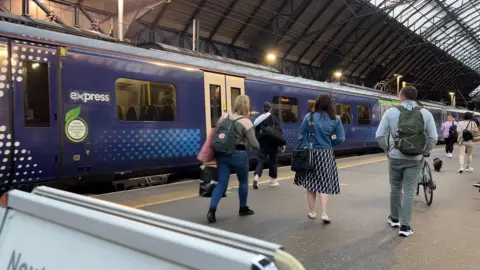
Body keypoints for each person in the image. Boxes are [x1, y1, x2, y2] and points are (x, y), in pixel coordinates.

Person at [376, 86, 437, 237]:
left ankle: (394, 219)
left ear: (401, 97)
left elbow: (379, 135)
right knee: (409, 190)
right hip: (415, 158)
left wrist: (387, 150)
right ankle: (405, 227)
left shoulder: (391, 112)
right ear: (415, 97)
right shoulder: (425, 113)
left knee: (395, 188)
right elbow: (433, 138)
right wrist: (425, 151)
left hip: (395, 156)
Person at [207, 95, 260, 223]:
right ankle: (243, 208)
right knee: (242, 182)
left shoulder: (224, 117)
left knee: (221, 184)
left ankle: (211, 210)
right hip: (239, 155)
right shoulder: (246, 122)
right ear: (246, 106)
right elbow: (254, 144)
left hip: (222, 154)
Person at [293, 95, 345, 223]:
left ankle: (312, 212)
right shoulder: (335, 119)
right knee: (324, 184)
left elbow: (301, 135)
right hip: (326, 154)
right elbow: (340, 138)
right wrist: (329, 142)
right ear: (330, 105)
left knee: (311, 184)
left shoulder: (309, 117)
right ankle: (325, 214)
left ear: (317, 104)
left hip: (310, 153)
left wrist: (300, 147)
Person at [253, 102, 286, 189]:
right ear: (270, 109)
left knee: (261, 160)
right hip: (273, 143)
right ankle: (272, 180)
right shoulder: (274, 118)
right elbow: (279, 132)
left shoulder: (259, 119)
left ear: (263, 109)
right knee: (273, 161)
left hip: (263, 143)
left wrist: (257, 142)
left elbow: (256, 133)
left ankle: (256, 177)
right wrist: (282, 144)